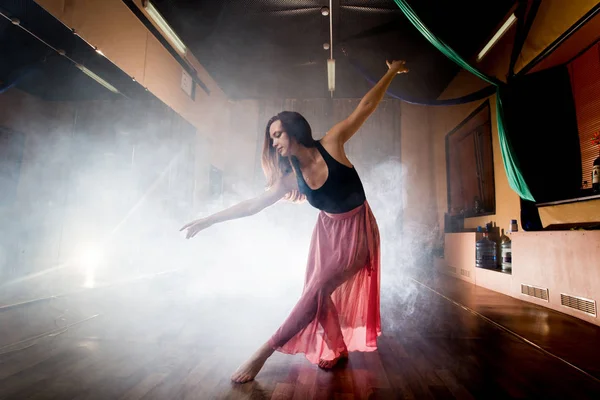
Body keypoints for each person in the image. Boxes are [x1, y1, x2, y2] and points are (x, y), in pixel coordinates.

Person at [180, 60, 409, 384]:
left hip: (358, 229)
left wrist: (389, 72)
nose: (274, 142)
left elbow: (365, 107)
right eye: (271, 138)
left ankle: (263, 352)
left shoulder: (332, 143)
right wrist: (209, 220)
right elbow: (253, 205)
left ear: (293, 130)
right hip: (327, 233)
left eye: (277, 134)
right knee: (318, 292)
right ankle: (338, 348)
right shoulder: (290, 179)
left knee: (316, 290)